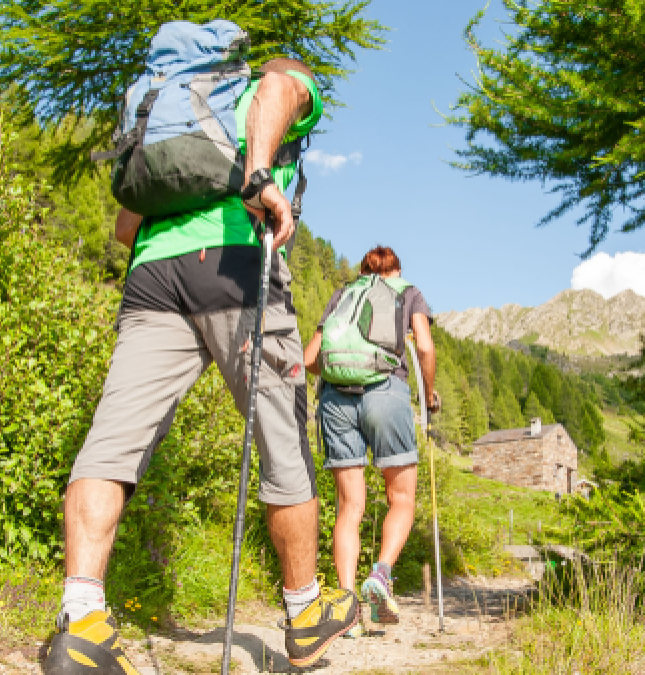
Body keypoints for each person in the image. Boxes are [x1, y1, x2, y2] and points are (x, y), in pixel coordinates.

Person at [44, 57, 358, 673]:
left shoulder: (169, 120)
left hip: (153, 277)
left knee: (111, 442)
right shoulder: (266, 91)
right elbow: (281, 86)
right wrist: (259, 175)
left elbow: (124, 224)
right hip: (239, 267)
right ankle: (304, 613)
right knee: (283, 443)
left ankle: (80, 620)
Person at [303, 246, 439, 632]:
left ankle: (346, 605)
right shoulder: (408, 291)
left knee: (350, 506)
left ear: (364, 271)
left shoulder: (342, 295)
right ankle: (380, 576)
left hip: (334, 399)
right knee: (402, 498)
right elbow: (425, 347)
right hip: (385, 392)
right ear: (397, 270)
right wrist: (428, 397)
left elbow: (312, 358)